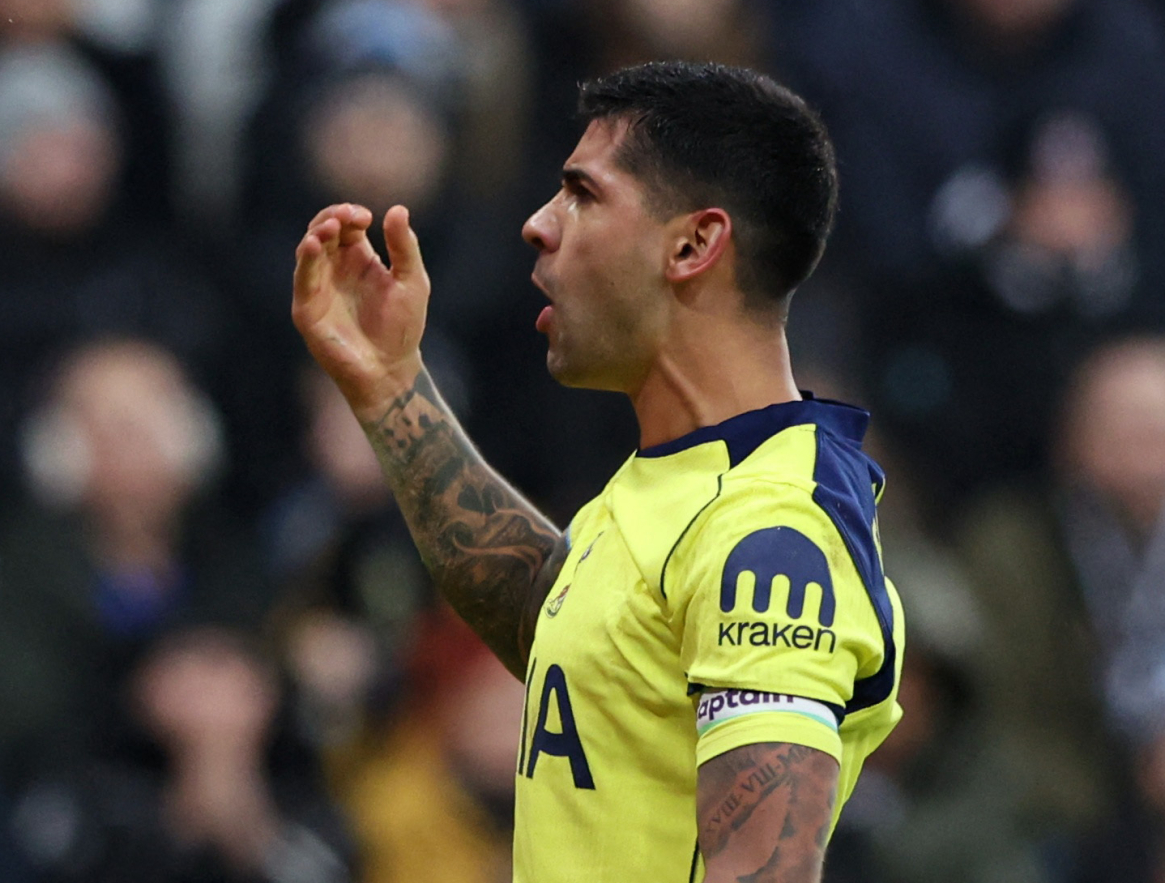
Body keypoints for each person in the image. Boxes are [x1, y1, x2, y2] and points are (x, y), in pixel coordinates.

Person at [291, 61, 905, 882]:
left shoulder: (771, 531)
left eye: (582, 195)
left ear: (693, 244)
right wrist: (392, 389)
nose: (538, 225)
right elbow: (570, 634)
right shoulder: (680, 480)